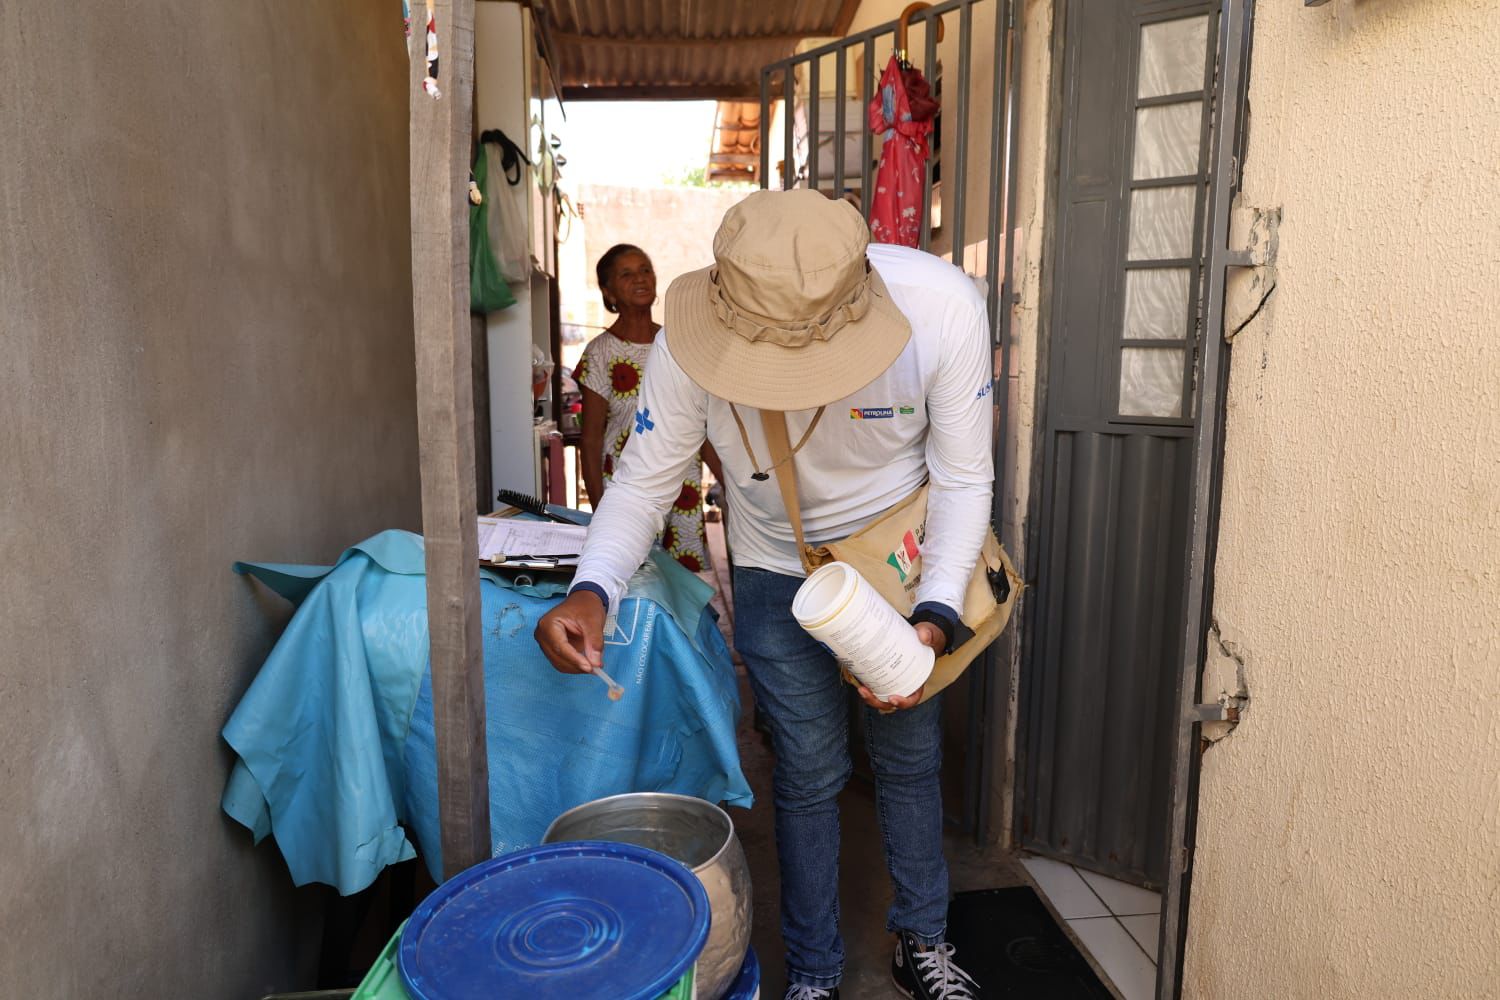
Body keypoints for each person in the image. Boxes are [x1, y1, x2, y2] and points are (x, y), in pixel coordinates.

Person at [537, 191, 993, 1000]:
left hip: (897, 567)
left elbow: (962, 477)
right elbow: (644, 480)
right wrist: (592, 588)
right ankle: (814, 971)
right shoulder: (689, 339)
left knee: (909, 757)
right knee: (809, 772)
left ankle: (922, 937)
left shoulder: (942, 309)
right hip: (773, 567)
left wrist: (934, 618)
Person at [572, 243, 721, 573]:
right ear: (608, 290)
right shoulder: (600, 353)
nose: (640, 279)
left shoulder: (677, 344)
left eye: (645, 270)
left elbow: (701, 424)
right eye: (626, 274)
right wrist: (601, 514)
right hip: (627, 484)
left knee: (685, 585)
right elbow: (592, 440)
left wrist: (734, 491)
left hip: (682, 482)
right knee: (632, 577)